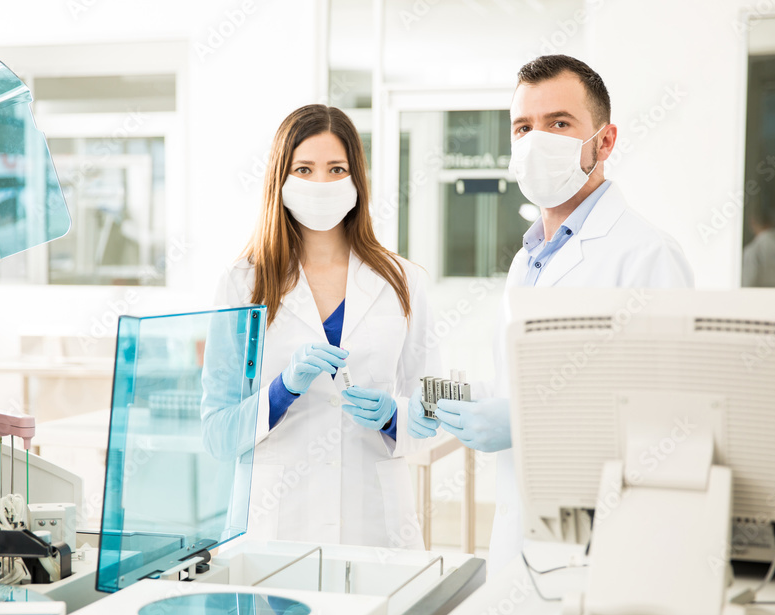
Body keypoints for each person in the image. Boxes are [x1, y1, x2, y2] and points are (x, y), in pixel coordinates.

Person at [425, 55, 695, 574]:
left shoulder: (647, 255)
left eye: (559, 124)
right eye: (523, 127)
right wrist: (454, 404)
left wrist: (525, 423)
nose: (536, 141)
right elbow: (522, 388)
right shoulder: (527, 261)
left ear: (605, 142)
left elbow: (670, 425)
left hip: (604, 549)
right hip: (518, 540)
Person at [211, 104, 440, 549]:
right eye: (304, 169)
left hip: (374, 521)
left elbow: (435, 407)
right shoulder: (243, 283)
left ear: (357, 181)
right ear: (281, 178)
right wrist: (281, 391)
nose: (322, 184)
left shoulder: (403, 281)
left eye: (337, 169)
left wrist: (398, 417)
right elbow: (218, 431)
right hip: (275, 521)